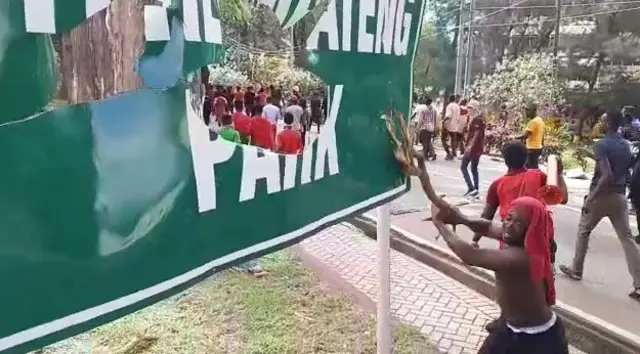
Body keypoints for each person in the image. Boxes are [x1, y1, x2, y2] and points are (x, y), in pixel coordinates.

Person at [401, 151, 568, 353]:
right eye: (508, 218)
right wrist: (460, 217)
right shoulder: (517, 236)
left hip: (538, 339)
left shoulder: (521, 257)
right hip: (510, 327)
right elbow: (487, 226)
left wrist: (439, 224)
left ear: (530, 229)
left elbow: (470, 255)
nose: (509, 226)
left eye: (518, 223)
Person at [474, 140, 568, 333]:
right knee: (540, 283)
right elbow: (562, 197)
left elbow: (486, 216)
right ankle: (540, 323)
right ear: (526, 158)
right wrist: (558, 174)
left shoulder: (497, 185)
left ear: (505, 160)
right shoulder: (538, 176)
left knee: (508, 284)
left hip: (509, 244)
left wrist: (475, 239)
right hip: (542, 242)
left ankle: (506, 320)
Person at [559, 111, 640, 301]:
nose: (599, 123)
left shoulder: (602, 145)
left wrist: (590, 198)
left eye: (602, 121)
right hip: (619, 196)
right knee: (627, 239)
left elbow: (606, 175)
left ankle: (576, 269)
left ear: (608, 123)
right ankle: (639, 284)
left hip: (601, 196)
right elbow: (623, 171)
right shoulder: (626, 146)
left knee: (584, 230)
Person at [460, 100, 485, 196]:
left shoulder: (477, 120)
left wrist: (470, 146)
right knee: (474, 168)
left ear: (474, 109)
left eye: (470, 108)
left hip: (474, 147)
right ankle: (475, 188)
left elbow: (477, 135)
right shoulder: (476, 118)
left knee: (463, 167)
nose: (468, 109)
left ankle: (471, 188)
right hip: (477, 147)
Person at [517, 105, 545, 169]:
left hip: (531, 149)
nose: (526, 112)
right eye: (526, 110)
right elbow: (543, 136)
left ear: (534, 110)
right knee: (533, 168)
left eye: (528, 110)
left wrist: (514, 137)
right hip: (537, 148)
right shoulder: (540, 120)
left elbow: (525, 136)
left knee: (528, 169)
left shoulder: (533, 122)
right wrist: (542, 146)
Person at [414, 96, 436, 160]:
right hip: (431, 128)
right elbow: (434, 120)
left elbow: (420, 120)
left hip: (424, 128)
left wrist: (417, 128)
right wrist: (434, 129)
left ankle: (425, 156)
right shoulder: (434, 110)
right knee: (428, 141)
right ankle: (432, 153)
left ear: (426, 102)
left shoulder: (423, 110)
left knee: (424, 143)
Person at [442, 94, 460, 161]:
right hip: (455, 126)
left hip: (448, 125)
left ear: (449, 99)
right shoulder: (457, 106)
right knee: (453, 140)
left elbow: (448, 115)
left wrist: (443, 121)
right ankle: (453, 153)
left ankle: (448, 153)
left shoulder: (449, 106)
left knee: (443, 139)